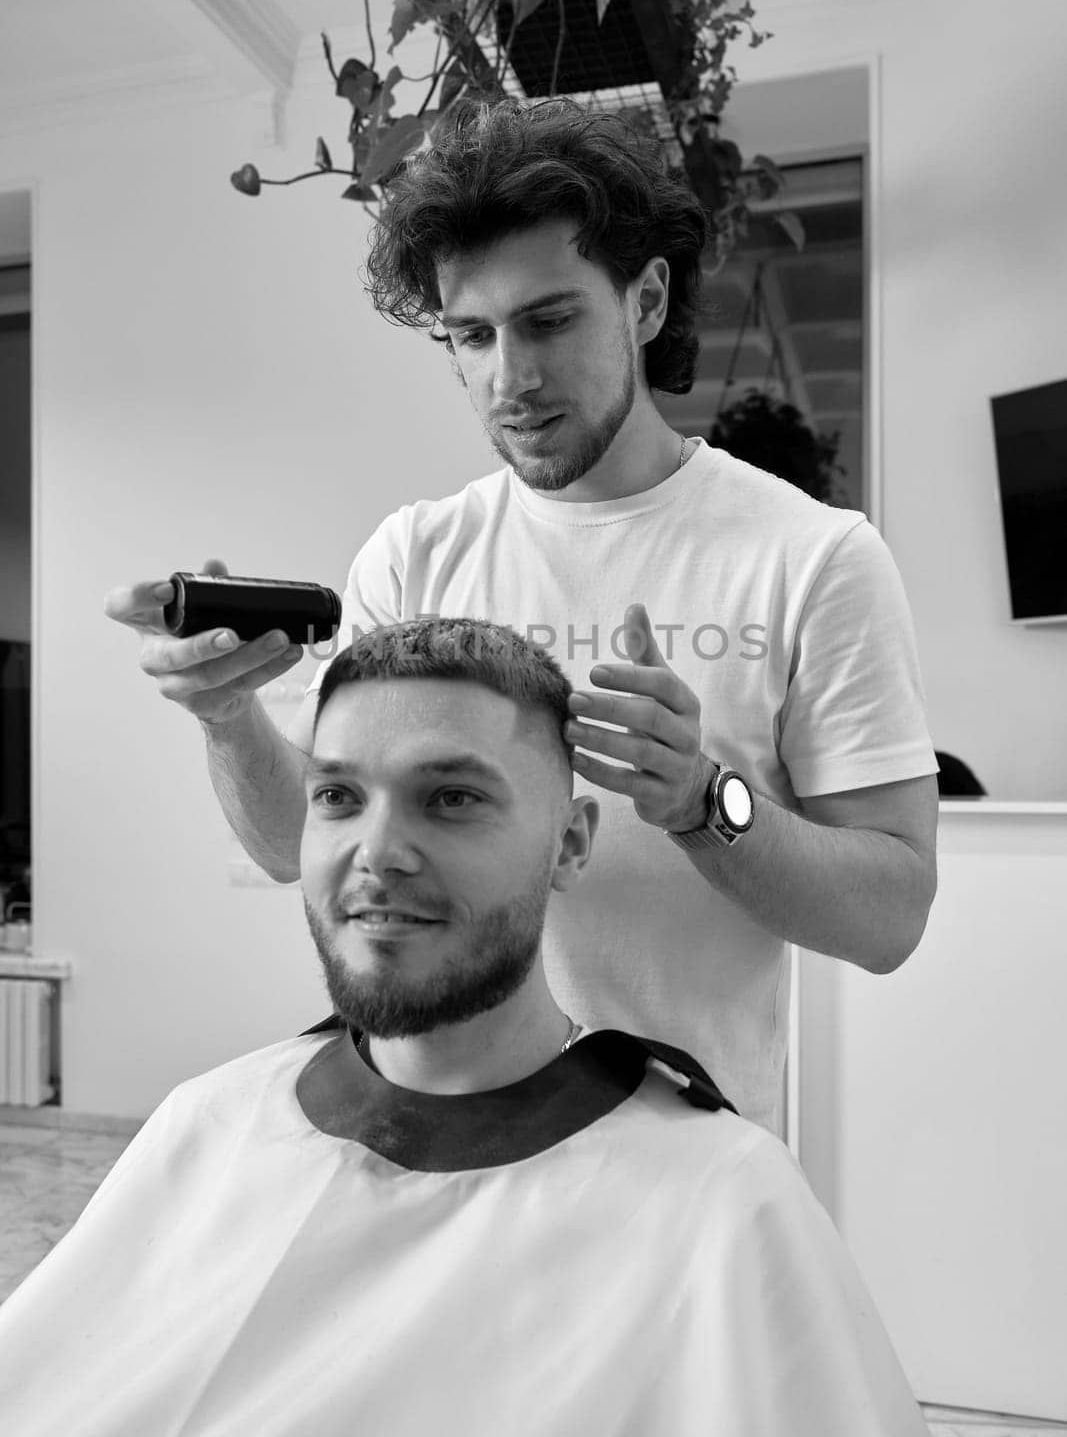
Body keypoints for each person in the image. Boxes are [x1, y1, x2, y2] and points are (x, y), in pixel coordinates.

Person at [104, 98, 939, 1127]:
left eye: (548, 320)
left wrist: (703, 803)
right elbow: (294, 846)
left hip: (674, 1163)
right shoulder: (415, 554)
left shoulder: (812, 559)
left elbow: (891, 914)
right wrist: (226, 718)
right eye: (471, 335)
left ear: (642, 300)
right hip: (426, 1135)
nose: (512, 377)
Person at [0, 620, 928, 1436]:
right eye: (336, 797)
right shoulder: (212, 1120)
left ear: (569, 843)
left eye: (451, 798)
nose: (377, 856)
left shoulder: (716, 1201)